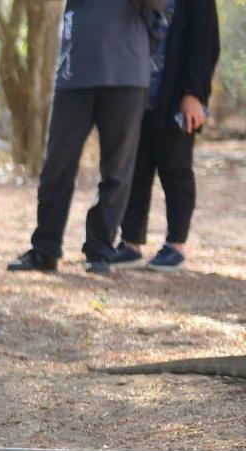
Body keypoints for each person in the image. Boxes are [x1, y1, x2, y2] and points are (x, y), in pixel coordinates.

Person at [6, 0, 167, 276]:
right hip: (75, 72)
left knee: (117, 171)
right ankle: (45, 248)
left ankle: (100, 250)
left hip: (126, 74)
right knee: (56, 164)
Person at [114, 0, 220, 272]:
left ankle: (175, 245)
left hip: (176, 95)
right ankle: (130, 243)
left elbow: (206, 44)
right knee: (135, 169)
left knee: (176, 169)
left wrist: (194, 94)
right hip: (137, 93)